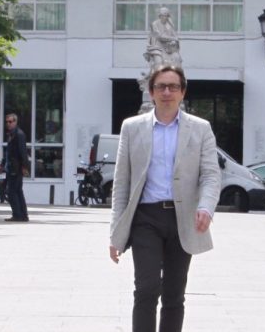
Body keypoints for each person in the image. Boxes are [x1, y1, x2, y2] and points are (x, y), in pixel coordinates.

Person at [109, 65, 221, 332]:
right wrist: (115, 232)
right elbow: (122, 182)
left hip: (183, 219)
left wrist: (206, 207)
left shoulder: (201, 129)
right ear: (151, 92)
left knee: (174, 293)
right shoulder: (132, 128)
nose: (167, 92)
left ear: (182, 92)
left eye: (173, 87)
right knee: (146, 288)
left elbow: (211, 175)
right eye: (161, 86)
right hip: (145, 218)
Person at [1, 113, 29, 222]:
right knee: (17, 191)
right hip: (11, 166)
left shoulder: (19, 134)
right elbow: (8, 151)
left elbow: (23, 152)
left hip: (16, 168)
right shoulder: (11, 134)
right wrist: (2, 164)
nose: (8, 124)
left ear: (15, 122)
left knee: (11, 191)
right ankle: (23, 215)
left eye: (10, 121)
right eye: (7, 121)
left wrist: (24, 166)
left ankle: (18, 214)